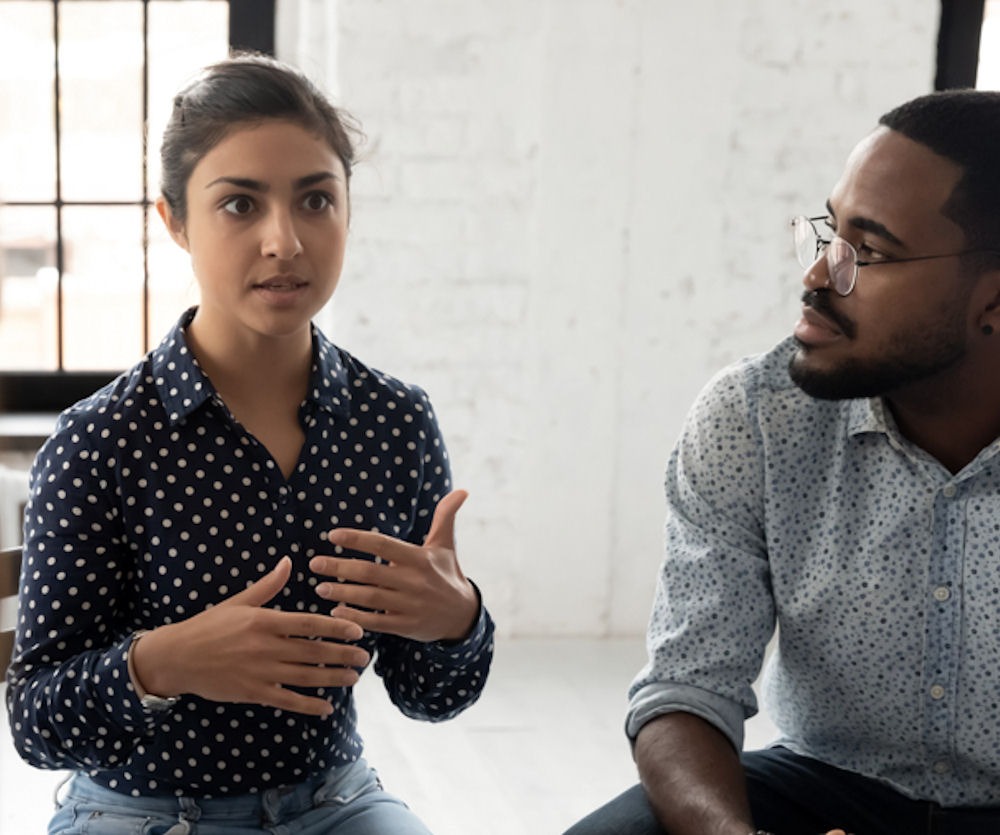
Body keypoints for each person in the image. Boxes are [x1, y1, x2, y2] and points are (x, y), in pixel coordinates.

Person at [5, 53, 494, 835]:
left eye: (315, 199)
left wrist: (456, 618)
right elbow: (36, 724)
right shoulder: (100, 440)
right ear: (174, 221)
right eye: (239, 205)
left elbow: (429, 696)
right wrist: (166, 661)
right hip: (140, 814)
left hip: (338, 804)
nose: (285, 241)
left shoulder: (394, 422)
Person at [565, 89, 1000, 835]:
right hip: (825, 786)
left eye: (870, 251)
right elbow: (686, 688)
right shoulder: (756, 418)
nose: (819, 277)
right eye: (831, 232)